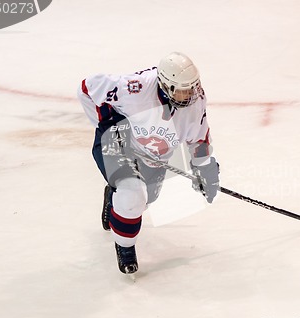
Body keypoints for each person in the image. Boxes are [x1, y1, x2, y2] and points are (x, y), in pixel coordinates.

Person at [77, 52, 220, 274]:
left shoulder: (196, 100)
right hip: (119, 143)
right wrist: (108, 126)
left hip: (154, 154)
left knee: (145, 200)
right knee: (133, 195)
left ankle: (113, 198)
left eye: (192, 87)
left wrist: (204, 167)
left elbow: (199, 137)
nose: (189, 94)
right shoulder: (135, 89)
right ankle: (125, 248)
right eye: (182, 90)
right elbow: (88, 88)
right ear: (166, 86)